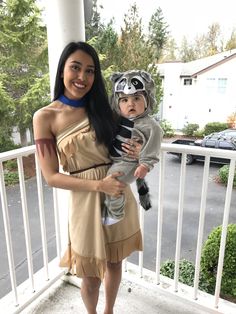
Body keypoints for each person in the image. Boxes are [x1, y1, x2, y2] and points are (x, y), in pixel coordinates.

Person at [33, 41, 143, 314]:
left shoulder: (104, 109)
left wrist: (137, 150)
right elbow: (51, 177)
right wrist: (98, 185)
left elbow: (126, 146)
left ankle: (109, 311)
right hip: (85, 200)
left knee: (115, 261)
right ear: (62, 71)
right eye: (76, 68)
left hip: (116, 193)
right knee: (90, 272)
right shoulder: (45, 117)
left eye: (90, 70)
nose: (82, 77)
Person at [102, 70, 163, 225]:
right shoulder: (120, 119)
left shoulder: (151, 126)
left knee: (113, 178)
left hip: (129, 163)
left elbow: (152, 147)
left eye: (136, 98)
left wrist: (144, 165)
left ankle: (115, 213)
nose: (130, 103)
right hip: (116, 159)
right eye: (124, 100)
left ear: (147, 100)